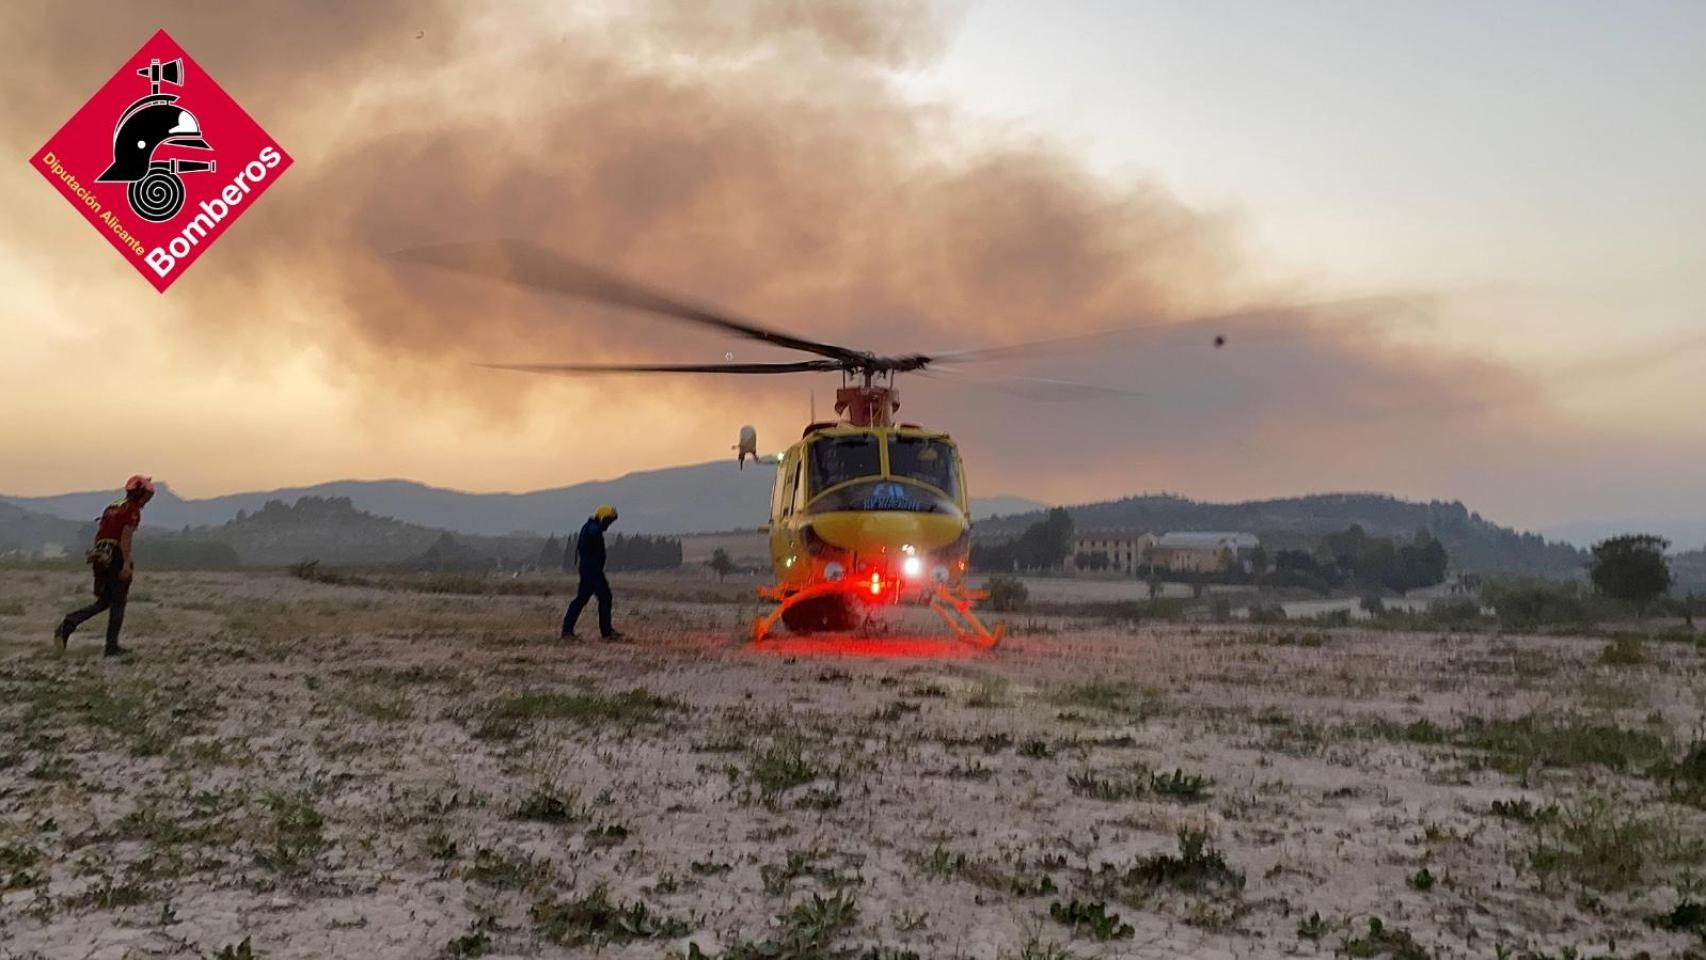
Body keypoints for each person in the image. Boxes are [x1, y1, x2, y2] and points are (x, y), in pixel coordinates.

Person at [55, 474, 154, 657]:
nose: (147, 501)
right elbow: (125, 537)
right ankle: (111, 647)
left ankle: (69, 623)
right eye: (147, 496)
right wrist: (126, 563)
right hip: (115, 555)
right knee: (118, 602)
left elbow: (101, 531)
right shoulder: (132, 510)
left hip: (101, 553)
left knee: (104, 601)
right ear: (140, 494)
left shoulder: (113, 506)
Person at [561, 504, 625, 641]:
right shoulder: (592, 528)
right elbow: (593, 532)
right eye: (608, 521)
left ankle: (567, 631)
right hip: (592, 571)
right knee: (605, 597)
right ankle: (607, 633)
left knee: (581, 599)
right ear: (602, 518)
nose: (608, 525)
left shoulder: (590, 526)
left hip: (588, 570)